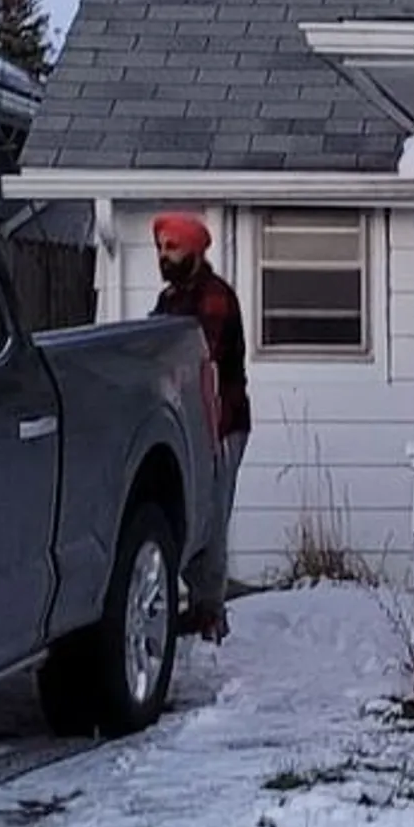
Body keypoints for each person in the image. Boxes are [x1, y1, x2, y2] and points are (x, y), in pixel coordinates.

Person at [151, 211, 247, 642]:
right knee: (189, 509)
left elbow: (199, 355)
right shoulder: (169, 300)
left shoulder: (214, 298)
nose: (164, 255)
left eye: (172, 247)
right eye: (161, 248)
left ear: (194, 251)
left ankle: (210, 612)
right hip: (188, 422)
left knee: (211, 513)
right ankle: (197, 603)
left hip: (220, 423)